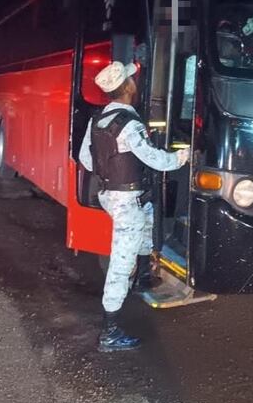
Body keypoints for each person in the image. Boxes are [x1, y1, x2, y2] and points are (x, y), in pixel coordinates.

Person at [78, 61, 189, 352]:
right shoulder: (129, 124)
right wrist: (183, 157)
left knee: (148, 225)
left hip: (112, 195)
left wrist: (112, 170)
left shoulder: (97, 121)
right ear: (127, 87)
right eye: (132, 80)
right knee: (120, 262)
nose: (135, 83)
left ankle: (140, 278)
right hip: (126, 200)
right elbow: (156, 160)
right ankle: (110, 331)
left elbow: (86, 160)